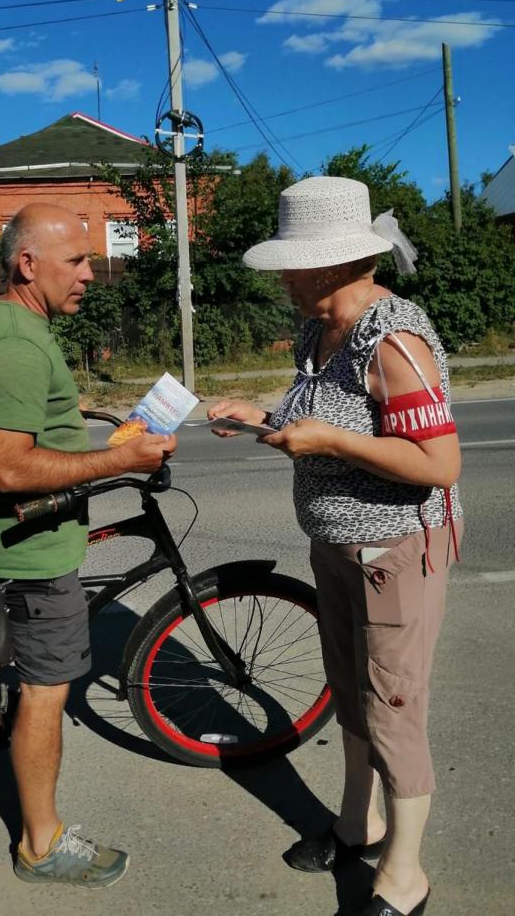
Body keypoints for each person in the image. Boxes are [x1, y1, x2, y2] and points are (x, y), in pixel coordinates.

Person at [209, 176, 462, 916]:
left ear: (328, 263)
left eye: (290, 264)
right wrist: (256, 415)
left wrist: (328, 441)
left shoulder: (394, 338)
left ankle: (403, 875)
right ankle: (358, 824)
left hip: (393, 553)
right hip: (337, 547)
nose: (281, 277)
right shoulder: (319, 332)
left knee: (392, 706)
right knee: (351, 693)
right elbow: (311, 411)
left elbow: (437, 464)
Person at [0, 202, 176, 888]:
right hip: (27, 554)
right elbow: (12, 469)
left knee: (14, 682)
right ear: (27, 263)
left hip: (9, 546)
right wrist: (122, 462)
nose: (89, 273)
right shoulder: (16, 342)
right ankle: (39, 845)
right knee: (46, 692)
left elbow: (6, 408)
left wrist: (81, 411)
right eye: (75, 260)